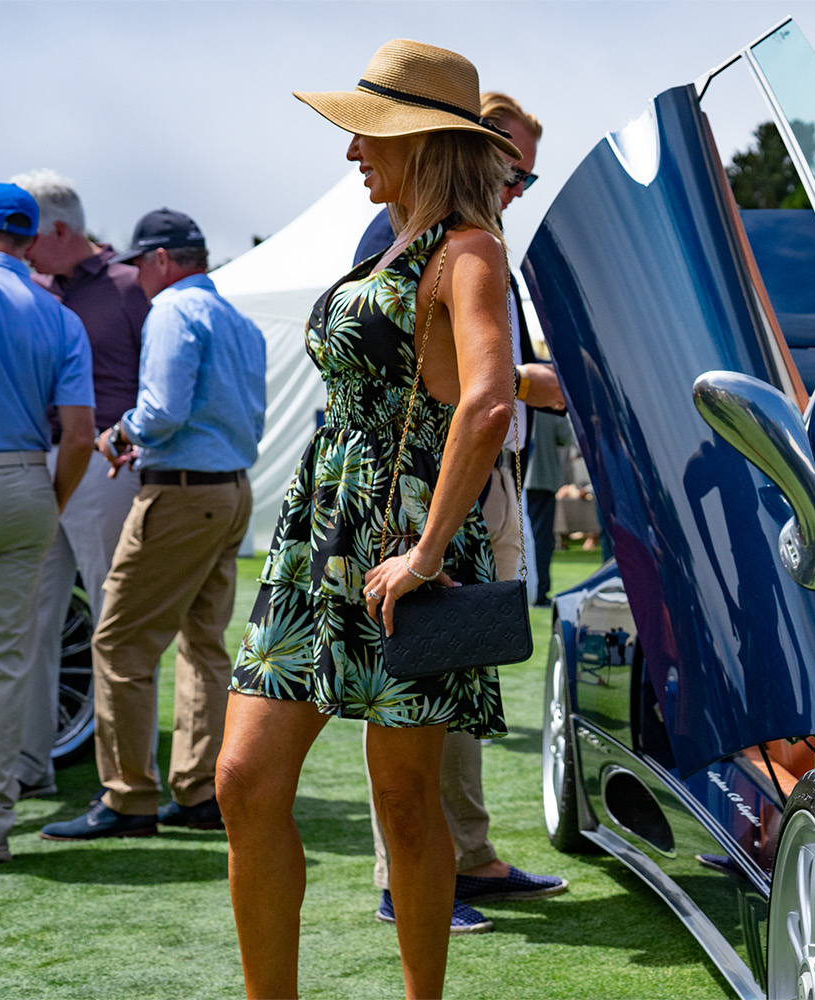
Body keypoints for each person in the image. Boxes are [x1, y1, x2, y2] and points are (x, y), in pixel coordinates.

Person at [216, 39, 525, 999]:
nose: (353, 152)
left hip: (407, 547)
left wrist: (431, 551)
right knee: (243, 779)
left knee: (402, 796)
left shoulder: (469, 250)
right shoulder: (388, 240)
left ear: (426, 142)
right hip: (322, 535)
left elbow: (488, 401)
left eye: (368, 135)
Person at [355, 89, 567, 935]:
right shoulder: (411, 231)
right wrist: (532, 383)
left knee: (457, 676)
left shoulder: (476, 240)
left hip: (484, 477)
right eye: (509, 167)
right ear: (465, 151)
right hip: (434, 484)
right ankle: (405, 877)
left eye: (527, 173)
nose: (516, 185)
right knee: (415, 683)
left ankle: (467, 855)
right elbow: (441, 382)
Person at [39, 207, 266, 842]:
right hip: (230, 490)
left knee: (118, 644)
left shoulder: (172, 309)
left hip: (182, 492)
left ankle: (128, 797)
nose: (137, 275)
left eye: (140, 263)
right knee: (204, 644)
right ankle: (197, 791)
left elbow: (162, 410)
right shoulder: (236, 318)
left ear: (162, 260)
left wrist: (121, 433)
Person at [10, 169, 149, 798]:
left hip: (105, 470)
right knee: (35, 622)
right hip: (45, 463)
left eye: (30, 235)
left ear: (61, 229)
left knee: (111, 620)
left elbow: (159, 380)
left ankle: (126, 780)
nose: (22, 247)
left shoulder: (129, 285)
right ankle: (29, 765)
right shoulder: (35, 287)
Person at [0, 182, 96, 863]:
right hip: (26, 480)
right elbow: (79, 434)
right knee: (4, 664)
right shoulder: (59, 316)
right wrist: (47, 502)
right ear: (32, 241)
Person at [526, 411, 573, 605]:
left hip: (518, 479)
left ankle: (527, 588)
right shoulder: (548, 403)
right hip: (543, 478)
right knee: (542, 539)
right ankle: (539, 591)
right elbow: (565, 436)